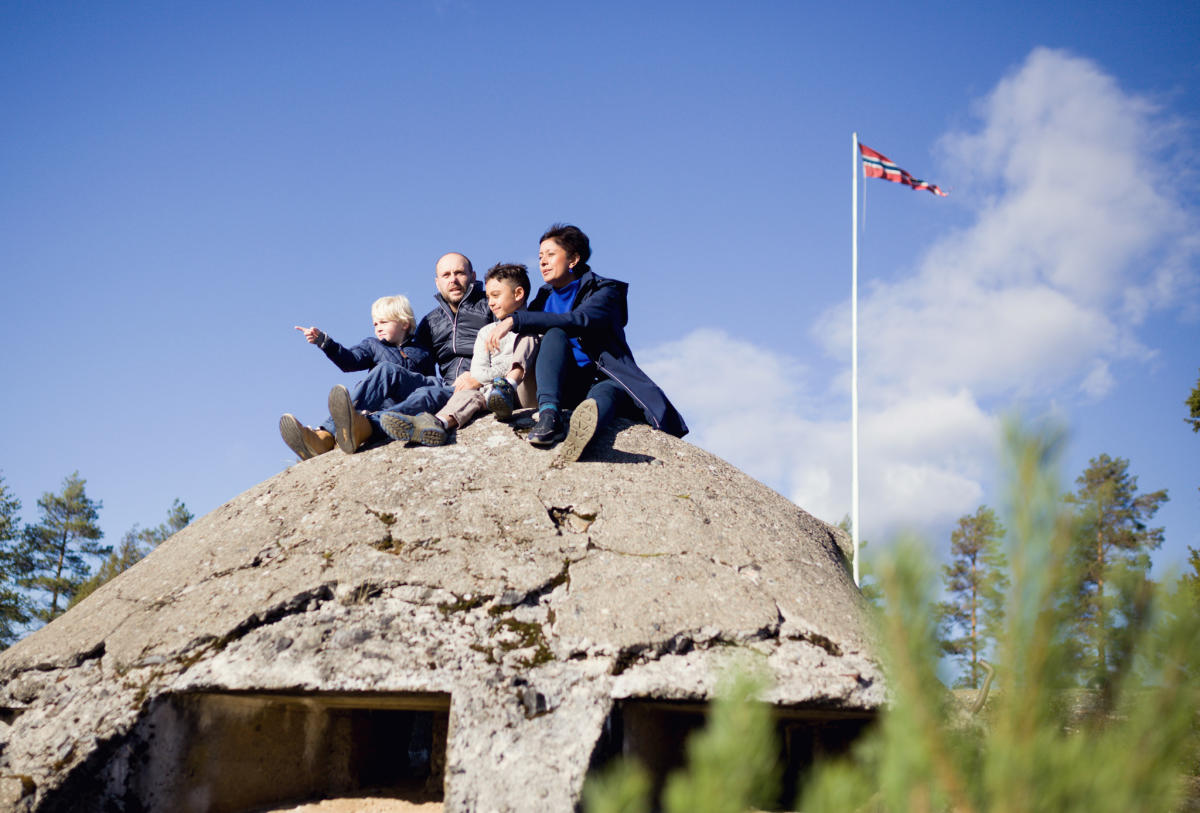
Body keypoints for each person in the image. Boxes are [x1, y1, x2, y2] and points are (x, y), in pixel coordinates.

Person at [486, 223, 687, 462]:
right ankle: (549, 416)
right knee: (554, 335)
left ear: (573, 259)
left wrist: (515, 320)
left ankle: (583, 433)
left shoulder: (605, 291)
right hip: (562, 381)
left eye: (551, 255)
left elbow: (581, 319)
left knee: (605, 393)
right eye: (540, 256)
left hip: (600, 377)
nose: (543, 261)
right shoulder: (542, 297)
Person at [327, 251, 495, 453]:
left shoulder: (490, 307)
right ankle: (326, 433)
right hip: (444, 383)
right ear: (437, 282)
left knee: (426, 394)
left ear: (473, 276)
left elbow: (511, 348)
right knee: (387, 369)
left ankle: (367, 425)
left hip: (473, 384)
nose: (453, 280)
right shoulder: (431, 322)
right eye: (446, 275)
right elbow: (411, 357)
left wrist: (479, 376)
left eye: (459, 273)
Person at [379, 262, 539, 446]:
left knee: (529, 335)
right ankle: (435, 424)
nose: (491, 302)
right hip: (490, 395)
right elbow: (478, 372)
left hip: (523, 390)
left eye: (495, 296)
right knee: (467, 394)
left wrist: (500, 378)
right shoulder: (485, 332)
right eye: (488, 297)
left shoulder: (536, 325)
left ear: (518, 294)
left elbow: (524, 361)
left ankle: (506, 386)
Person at [279, 295, 432, 460]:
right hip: (381, 409)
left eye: (384, 322)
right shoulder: (373, 345)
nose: (378, 328)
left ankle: (335, 432)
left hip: (409, 404)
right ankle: (324, 437)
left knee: (387, 370)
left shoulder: (423, 351)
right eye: (375, 324)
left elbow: (429, 383)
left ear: (404, 323)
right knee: (369, 382)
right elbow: (350, 360)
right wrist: (325, 343)